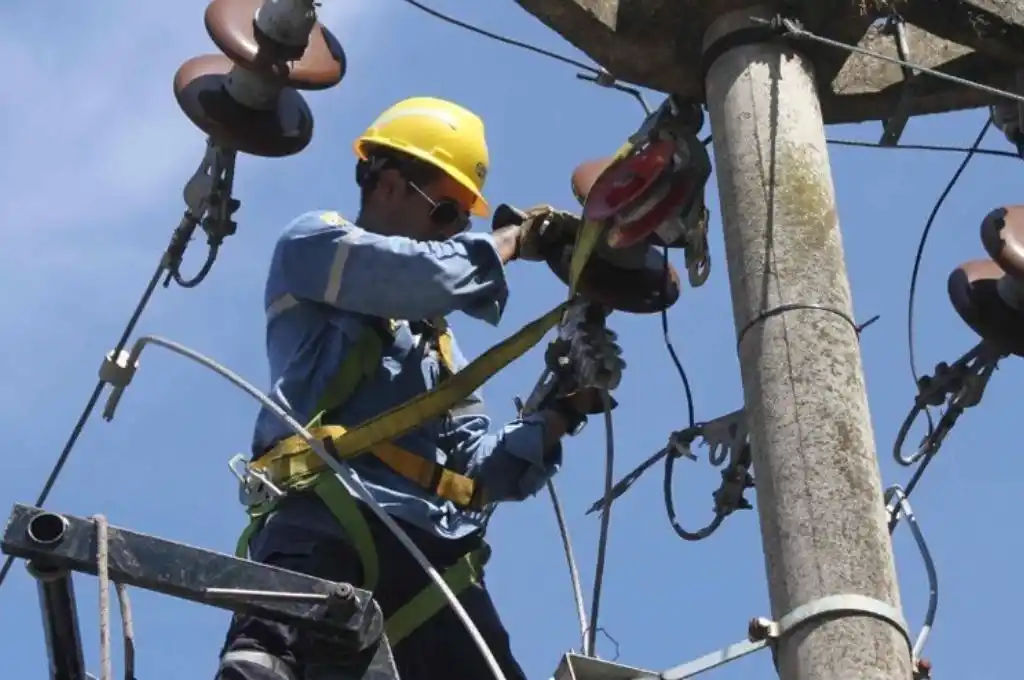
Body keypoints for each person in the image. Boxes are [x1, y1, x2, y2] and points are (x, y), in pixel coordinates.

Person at [215, 96, 603, 680]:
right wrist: (510, 243)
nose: (452, 234)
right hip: (327, 516)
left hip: (425, 551)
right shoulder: (314, 246)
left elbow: (476, 471)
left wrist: (561, 410)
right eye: (446, 214)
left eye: (459, 225)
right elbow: (418, 275)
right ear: (390, 184)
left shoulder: (438, 349)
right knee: (266, 669)